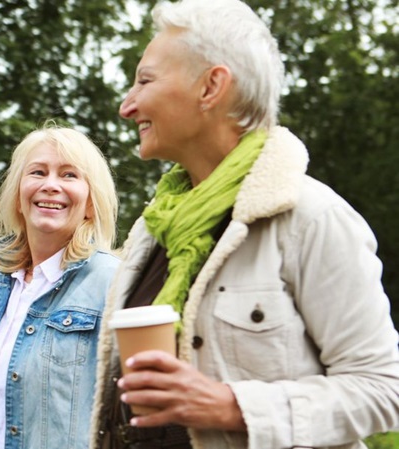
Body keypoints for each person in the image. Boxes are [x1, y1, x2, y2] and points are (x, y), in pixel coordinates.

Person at [87, 1, 399, 448]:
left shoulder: (311, 217)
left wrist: (230, 406)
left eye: (145, 81)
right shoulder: (154, 227)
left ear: (211, 86)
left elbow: (382, 389)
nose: (127, 106)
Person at [0, 125, 120, 449]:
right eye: (38, 172)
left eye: (69, 175)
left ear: (91, 202)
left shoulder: (112, 282)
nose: (50, 185)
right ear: (18, 196)